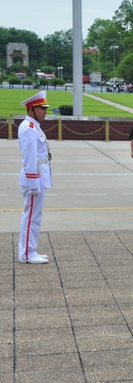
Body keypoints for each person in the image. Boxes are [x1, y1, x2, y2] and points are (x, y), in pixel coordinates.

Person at [17, 91, 52, 264]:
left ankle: (31, 250)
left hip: (39, 176)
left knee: (34, 216)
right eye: (42, 108)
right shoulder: (29, 129)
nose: (45, 111)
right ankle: (27, 254)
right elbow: (29, 159)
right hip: (34, 178)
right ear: (32, 110)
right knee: (31, 216)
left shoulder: (33, 127)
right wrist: (33, 183)